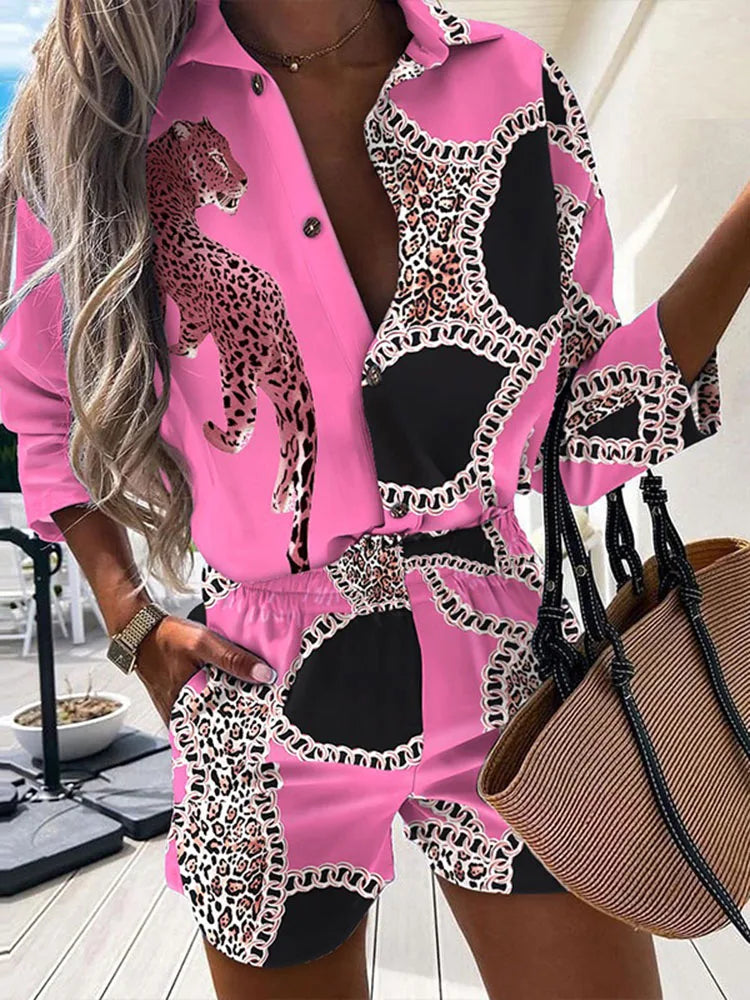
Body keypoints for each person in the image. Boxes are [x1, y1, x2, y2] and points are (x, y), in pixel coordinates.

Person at [0, 1, 746, 997]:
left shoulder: (513, 86)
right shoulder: (104, 115)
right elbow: (42, 406)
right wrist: (132, 622)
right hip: (261, 690)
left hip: (508, 668)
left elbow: (576, 441)